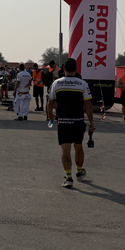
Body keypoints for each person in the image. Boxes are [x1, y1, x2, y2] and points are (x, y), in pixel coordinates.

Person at [47, 58, 95, 188]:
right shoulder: (82, 84)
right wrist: (91, 122)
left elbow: (50, 101)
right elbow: (88, 104)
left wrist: (50, 115)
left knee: (65, 149)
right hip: (78, 121)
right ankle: (79, 171)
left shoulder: (57, 83)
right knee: (78, 146)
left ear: (64, 69)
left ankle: (68, 178)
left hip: (63, 121)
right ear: (76, 69)